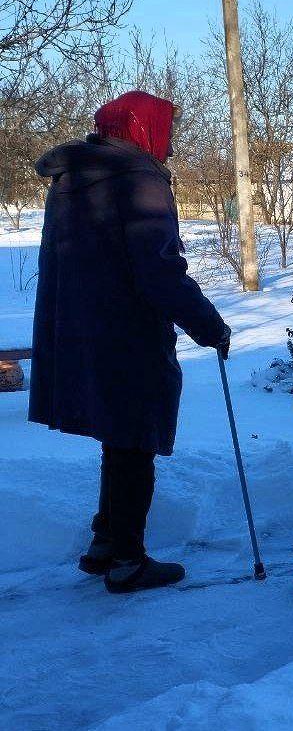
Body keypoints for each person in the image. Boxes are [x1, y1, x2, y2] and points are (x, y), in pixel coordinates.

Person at [30, 91, 230, 593]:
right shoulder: (139, 178)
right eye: (167, 130)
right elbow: (159, 269)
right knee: (135, 439)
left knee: (120, 439)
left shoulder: (73, 179)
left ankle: (106, 542)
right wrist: (208, 325)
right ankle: (127, 560)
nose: (170, 143)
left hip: (81, 327)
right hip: (127, 333)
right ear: (145, 129)